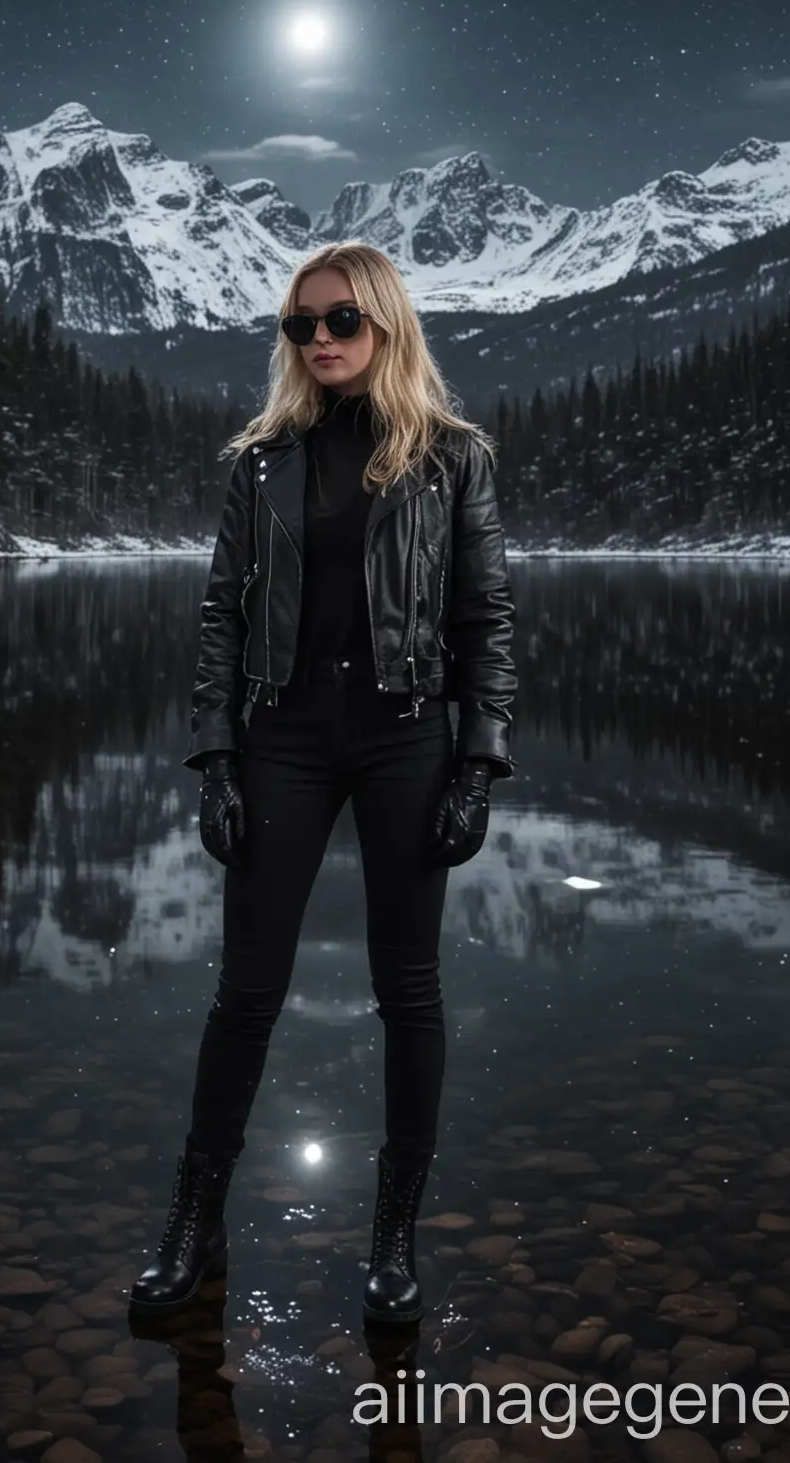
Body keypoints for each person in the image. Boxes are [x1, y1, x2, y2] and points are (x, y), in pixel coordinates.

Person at [130, 240, 517, 1325]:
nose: (321, 340)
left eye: (340, 319)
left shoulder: (451, 456)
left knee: (410, 991)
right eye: (301, 325)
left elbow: (487, 618)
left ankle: (394, 1241)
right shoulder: (263, 456)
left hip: (406, 741)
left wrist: (478, 763)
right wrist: (216, 758)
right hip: (281, 741)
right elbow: (219, 612)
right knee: (245, 993)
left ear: (386, 323)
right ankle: (192, 1227)